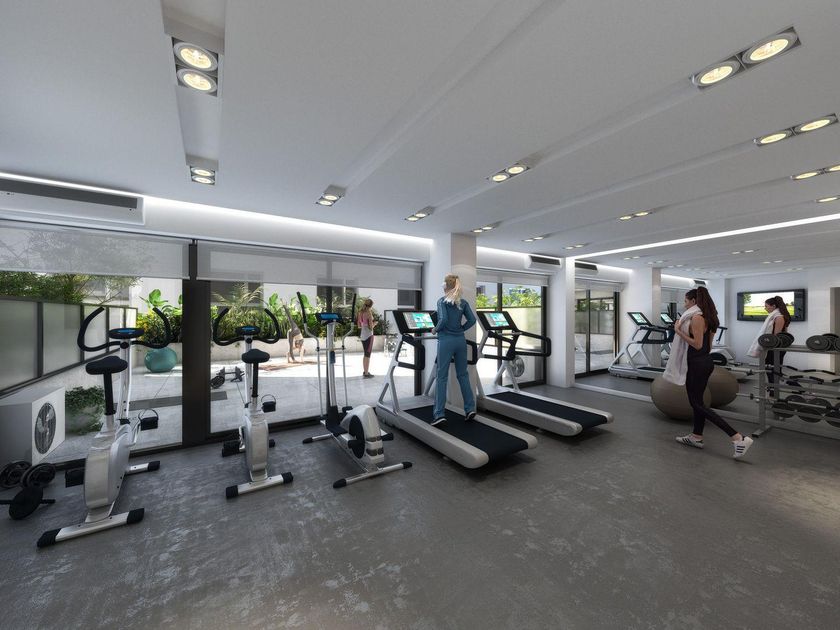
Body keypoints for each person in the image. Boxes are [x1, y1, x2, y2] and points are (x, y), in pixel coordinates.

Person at [669, 287, 754, 459]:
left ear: (694, 301)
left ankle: (738, 437)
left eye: (686, 301)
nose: (684, 305)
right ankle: (696, 436)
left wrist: (677, 331)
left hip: (697, 364)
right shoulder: (710, 317)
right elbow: (707, 346)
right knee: (697, 402)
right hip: (703, 361)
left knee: (697, 404)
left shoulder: (697, 317)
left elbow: (697, 344)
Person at [432, 274, 478, 425]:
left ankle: (439, 414)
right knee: (463, 375)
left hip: (446, 341)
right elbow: (472, 320)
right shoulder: (462, 302)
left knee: (441, 377)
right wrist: (461, 329)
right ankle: (470, 408)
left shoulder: (442, 301)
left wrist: (435, 329)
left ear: (446, 286)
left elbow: (443, 319)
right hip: (460, 341)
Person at [747, 295, 791, 394]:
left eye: (766, 306)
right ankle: (773, 391)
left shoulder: (779, 317)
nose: (765, 308)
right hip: (773, 348)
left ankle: (774, 392)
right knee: (772, 370)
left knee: (773, 371)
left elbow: (776, 336)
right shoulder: (776, 316)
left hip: (776, 348)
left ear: (773, 306)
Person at [357, 298, 376, 378]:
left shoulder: (360, 312)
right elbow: (371, 327)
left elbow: (359, 326)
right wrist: (375, 323)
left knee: (365, 354)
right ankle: (366, 373)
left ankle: (365, 371)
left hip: (363, 335)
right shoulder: (369, 313)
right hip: (369, 336)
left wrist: (365, 324)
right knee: (368, 355)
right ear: (371, 306)